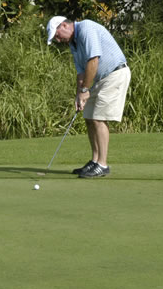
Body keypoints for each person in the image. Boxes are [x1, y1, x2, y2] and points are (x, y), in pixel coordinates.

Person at [46, 16, 131, 178]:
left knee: (98, 118)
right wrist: (79, 94)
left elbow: (93, 60)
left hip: (115, 74)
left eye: (57, 35)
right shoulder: (73, 43)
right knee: (89, 117)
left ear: (64, 25)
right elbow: (81, 71)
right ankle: (95, 161)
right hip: (98, 79)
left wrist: (85, 89)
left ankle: (102, 164)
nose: (58, 40)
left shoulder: (86, 28)